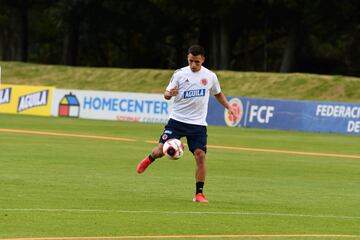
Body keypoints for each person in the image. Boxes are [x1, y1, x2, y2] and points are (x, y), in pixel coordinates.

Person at [136, 45, 237, 203]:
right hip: (177, 121)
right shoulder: (180, 74)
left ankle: (199, 194)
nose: (193, 65)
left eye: (196, 62)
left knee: (200, 156)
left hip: (198, 125)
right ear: (187, 58)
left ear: (203, 59)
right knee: (160, 151)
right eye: (190, 61)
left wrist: (229, 106)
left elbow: (218, 93)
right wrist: (170, 94)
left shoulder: (210, 76)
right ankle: (149, 159)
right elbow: (166, 94)